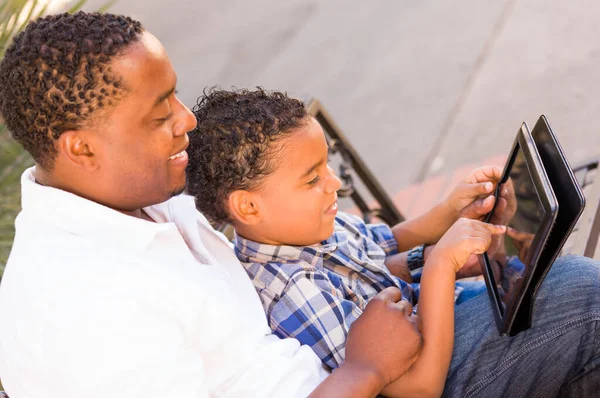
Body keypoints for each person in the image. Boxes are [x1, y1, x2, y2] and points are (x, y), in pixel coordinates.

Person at [0, 11, 599, 398]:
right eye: (159, 115)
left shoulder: (141, 200)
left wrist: (428, 261)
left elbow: (322, 259)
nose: (186, 121)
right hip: (379, 376)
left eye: (175, 96)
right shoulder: (76, 312)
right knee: (584, 303)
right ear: (80, 146)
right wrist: (364, 371)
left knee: (550, 290)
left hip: (372, 350)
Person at [184, 88, 509, 396]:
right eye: (313, 178)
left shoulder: (309, 225)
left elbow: (388, 242)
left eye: (327, 166)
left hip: (445, 305)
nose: (334, 182)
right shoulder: (292, 292)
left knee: (529, 272)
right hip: (440, 357)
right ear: (249, 207)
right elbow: (421, 387)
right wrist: (440, 265)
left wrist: (450, 210)